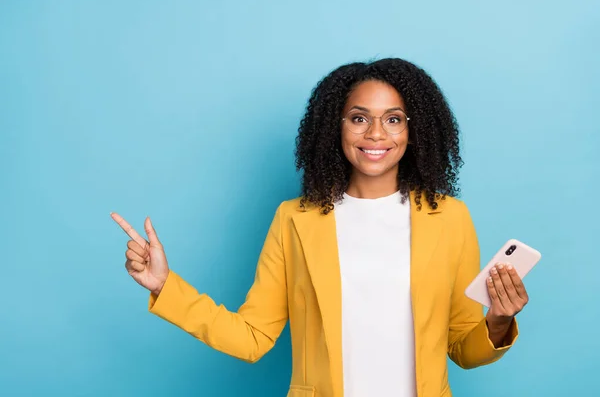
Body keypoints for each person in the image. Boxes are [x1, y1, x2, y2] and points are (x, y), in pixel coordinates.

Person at [111, 58, 528, 397]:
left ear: (415, 130)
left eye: (394, 119)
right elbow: (252, 337)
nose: (377, 133)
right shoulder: (295, 219)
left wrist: (497, 320)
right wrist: (164, 286)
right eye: (359, 118)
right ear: (336, 127)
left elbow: (461, 347)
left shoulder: (450, 218)